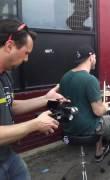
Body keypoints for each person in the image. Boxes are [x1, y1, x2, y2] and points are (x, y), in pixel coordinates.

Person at [0, 19, 65, 179]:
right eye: (26, 53)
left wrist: (45, 99)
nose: (27, 59)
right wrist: (35, 124)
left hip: (6, 154)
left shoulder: (6, 74)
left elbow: (10, 104)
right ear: (10, 46)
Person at [59, 46, 110, 167]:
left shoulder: (65, 77)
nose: (95, 59)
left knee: (99, 119)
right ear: (91, 57)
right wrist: (105, 106)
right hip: (88, 128)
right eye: (95, 56)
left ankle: (99, 152)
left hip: (69, 127)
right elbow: (98, 112)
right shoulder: (90, 80)